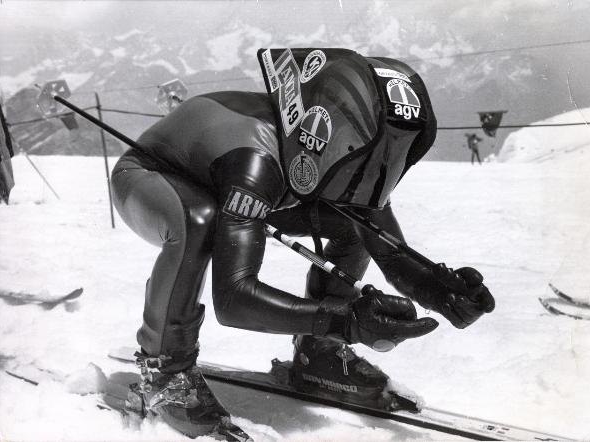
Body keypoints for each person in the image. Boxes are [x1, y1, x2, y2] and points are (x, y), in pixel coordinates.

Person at [111, 48, 495, 439]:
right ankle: (164, 371)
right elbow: (234, 298)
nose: (376, 174)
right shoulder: (257, 159)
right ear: (330, 136)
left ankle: (317, 357)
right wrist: (345, 322)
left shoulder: (338, 156)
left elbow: (388, 248)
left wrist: (438, 290)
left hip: (235, 182)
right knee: (199, 220)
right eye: (371, 158)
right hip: (148, 175)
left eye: (391, 160)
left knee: (353, 222)